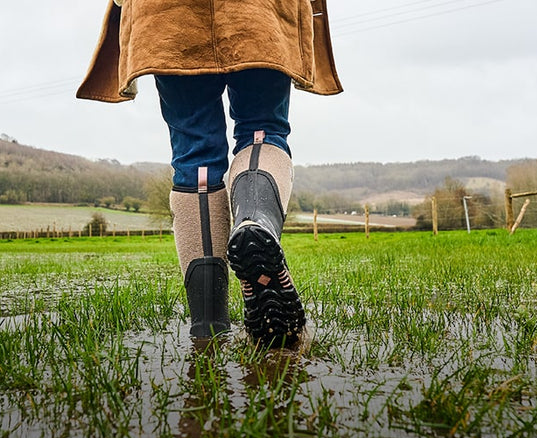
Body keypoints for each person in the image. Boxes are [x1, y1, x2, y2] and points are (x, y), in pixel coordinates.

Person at [78, 0, 342, 347]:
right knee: (260, 129)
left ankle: (208, 327)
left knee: (195, 157)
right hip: (258, 11)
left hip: (165, 15)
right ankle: (254, 221)